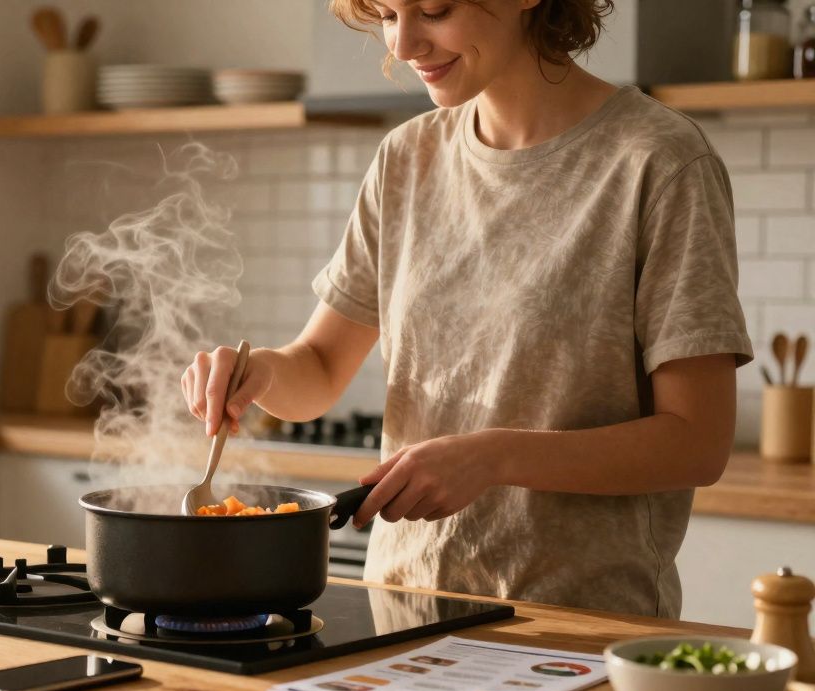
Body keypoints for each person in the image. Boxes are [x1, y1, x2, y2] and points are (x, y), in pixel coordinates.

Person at [180, 0, 752, 618]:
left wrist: (495, 456)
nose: (403, 46)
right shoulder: (406, 160)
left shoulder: (658, 161)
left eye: (433, 9)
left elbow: (696, 443)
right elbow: (318, 367)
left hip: (577, 623)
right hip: (403, 612)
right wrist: (261, 372)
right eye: (387, 15)